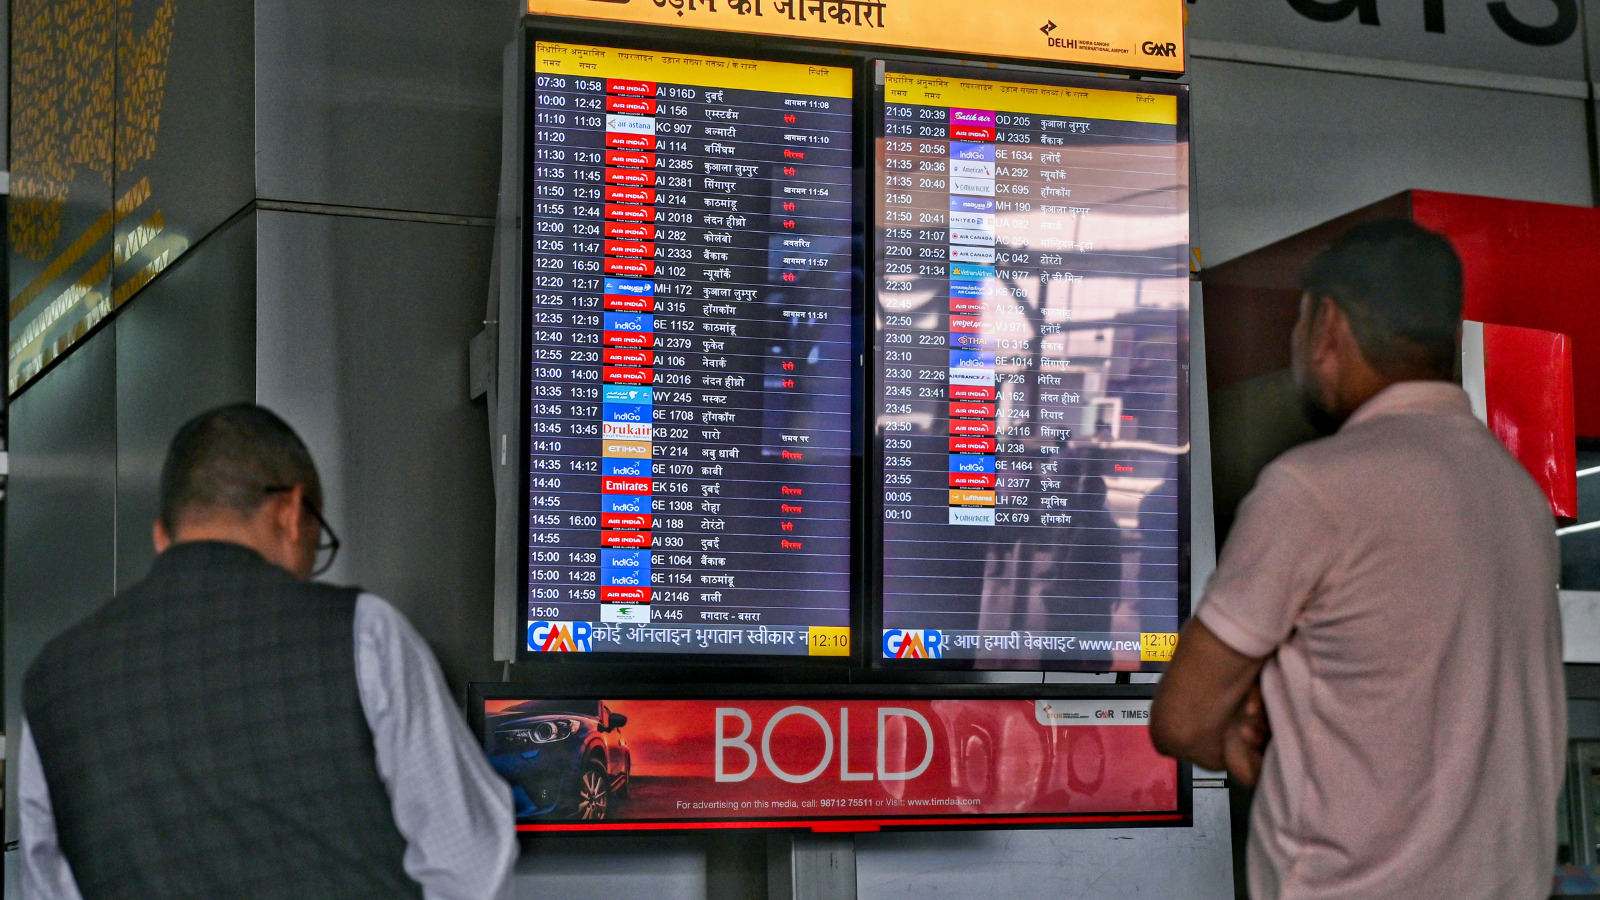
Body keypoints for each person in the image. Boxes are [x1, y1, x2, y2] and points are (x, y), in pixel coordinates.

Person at [1150, 220, 1564, 899]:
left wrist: (1247, 734)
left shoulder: (1316, 488)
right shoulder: (1517, 495)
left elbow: (1184, 716)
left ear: (1327, 325)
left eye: (1298, 321)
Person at [18, 404, 517, 900]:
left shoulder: (52, 683)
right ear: (290, 514)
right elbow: (469, 860)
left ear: (161, 538)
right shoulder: (363, 635)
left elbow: (49, 886)